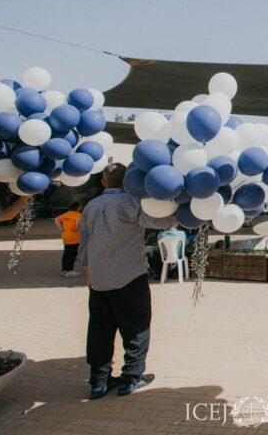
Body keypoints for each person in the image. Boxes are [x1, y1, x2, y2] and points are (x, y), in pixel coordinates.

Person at [78, 163, 178, 399]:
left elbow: (84, 241)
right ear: (130, 182)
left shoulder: (91, 206)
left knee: (99, 329)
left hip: (99, 279)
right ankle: (131, 378)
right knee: (136, 327)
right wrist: (177, 211)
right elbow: (161, 223)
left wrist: (87, 271)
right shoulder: (131, 203)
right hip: (129, 277)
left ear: (103, 182)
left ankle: (98, 381)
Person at [54, 201, 83, 277]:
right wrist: (76, 227)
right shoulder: (78, 214)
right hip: (74, 237)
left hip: (65, 236)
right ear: (78, 207)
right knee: (72, 254)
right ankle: (69, 270)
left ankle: (64, 270)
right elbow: (78, 220)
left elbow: (56, 219)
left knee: (66, 253)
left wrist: (61, 228)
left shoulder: (66, 214)